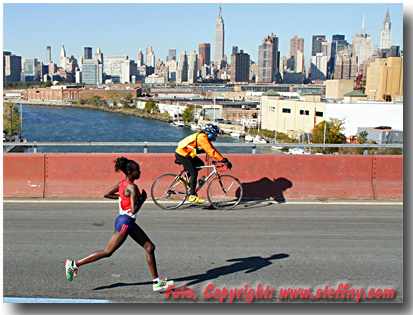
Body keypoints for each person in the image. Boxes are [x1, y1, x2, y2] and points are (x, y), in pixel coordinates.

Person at [65, 157, 174, 292]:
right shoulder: (133, 187)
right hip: (126, 222)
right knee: (107, 252)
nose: (139, 173)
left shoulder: (122, 183)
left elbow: (107, 194)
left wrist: (122, 197)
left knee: (150, 247)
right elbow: (134, 209)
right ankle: (74, 264)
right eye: (137, 171)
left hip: (127, 221)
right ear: (129, 172)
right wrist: (143, 199)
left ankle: (156, 281)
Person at [175, 123, 232, 204]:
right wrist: (223, 160)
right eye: (215, 135)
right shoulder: (203, 138)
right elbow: (211, 151)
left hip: (186, 153)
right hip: (182, 154)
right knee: (194, 173)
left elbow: (211, 148)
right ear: (209, 133)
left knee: (200, 163)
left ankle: (184, 178)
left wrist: (222, 158)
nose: (216, 137)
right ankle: (192, 196)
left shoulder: (203, 136)